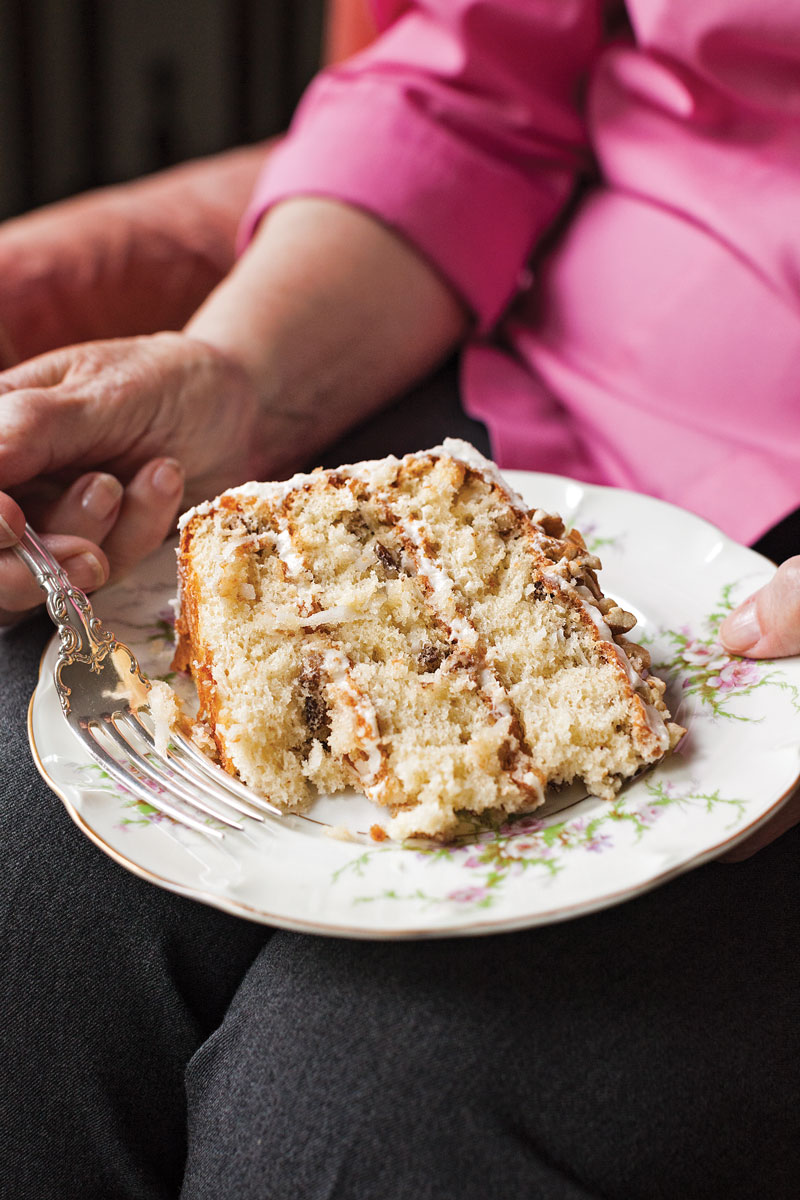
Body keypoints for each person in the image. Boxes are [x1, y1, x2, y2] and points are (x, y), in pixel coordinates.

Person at [1, 2, 798, 1196]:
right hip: (515, 421)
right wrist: (245, 380)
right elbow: (474, 83)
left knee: (353, 1125)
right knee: (22, 894)